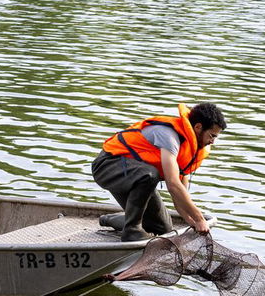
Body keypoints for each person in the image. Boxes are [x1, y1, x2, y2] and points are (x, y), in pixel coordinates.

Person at [91, 102, 226, 242]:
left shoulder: (190, 148)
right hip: (107, 167)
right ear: (198, 127)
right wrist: (199, 218)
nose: (212, 142)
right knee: (150, 174)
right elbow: (172, 184)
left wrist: (191, 220)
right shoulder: (170, 137)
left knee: (163, 228)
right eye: (212, 136)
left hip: (134, 176)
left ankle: (110, 219)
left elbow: (179, 193)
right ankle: (132, 231)